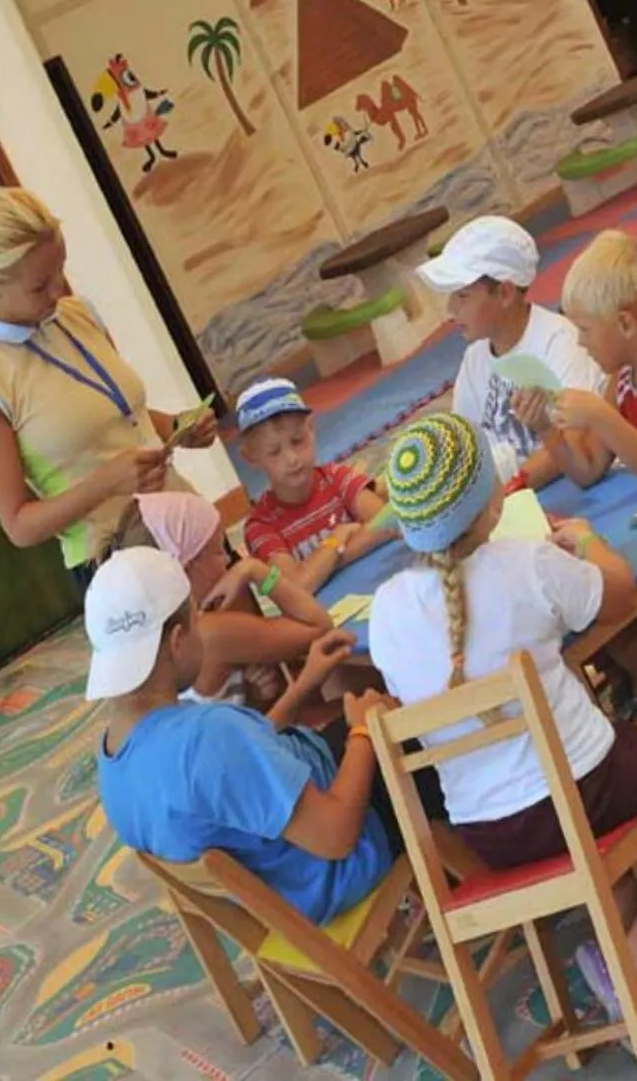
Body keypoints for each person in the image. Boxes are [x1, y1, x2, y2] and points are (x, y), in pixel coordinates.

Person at [367, 414, 637, 1014]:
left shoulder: (385, 613)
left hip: (486, 828)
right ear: (490, 504)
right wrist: (588, 542)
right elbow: (619, 593)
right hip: (581, 792)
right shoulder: (526, 564)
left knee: (597, 750)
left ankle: (632, 942)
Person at [87, 545, 398, 924]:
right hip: (339, 865)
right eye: (197, 617)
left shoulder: (116, 759)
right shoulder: (209, 739)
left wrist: (302, 687)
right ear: (177, 640)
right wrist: (366, 731)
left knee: (353, 726)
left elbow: (243, 772)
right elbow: (335, 836)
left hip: (282, 888)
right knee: (420, 734)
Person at [0, 187, 216, 586]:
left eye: (61, 270)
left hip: (182, 517)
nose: (58, 290)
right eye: (40, 285)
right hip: (118, 558)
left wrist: (179, 426)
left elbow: (121, 419)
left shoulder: (76, 314)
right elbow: (20, 526)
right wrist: (106, 482)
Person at [110, 490, 339, 726]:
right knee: (365, 702)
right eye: (219, 550)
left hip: (241, 744)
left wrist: (255, 693)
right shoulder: (208, 632)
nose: (229, 561)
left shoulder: (154, 634)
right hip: (258, 754)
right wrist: (255, 571)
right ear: (188, 566)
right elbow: (320, 627)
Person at [417, 215, 609, 489]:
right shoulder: (475, 360)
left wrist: (506, 492)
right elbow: (464, 447)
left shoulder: (559, 341)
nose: (451, 311)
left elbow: (574, 439)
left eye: (463, 297)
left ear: (505, 294)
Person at [547, 231, 637, 488]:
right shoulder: (622, 380)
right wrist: (545, 428)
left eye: (585, 329)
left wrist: (599, 415)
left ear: (625, 323)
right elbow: (587, 470)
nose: (580, 342)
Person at [236, 378, 394, 593]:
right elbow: (297, 589)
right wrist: (336, 540)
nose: (291, 459)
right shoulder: (260, 526)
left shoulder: (337, 478)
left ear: (310, 428)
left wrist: (317, 566)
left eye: (297, 441)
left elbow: (387, 523)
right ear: (251, 457)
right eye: (274, 452)